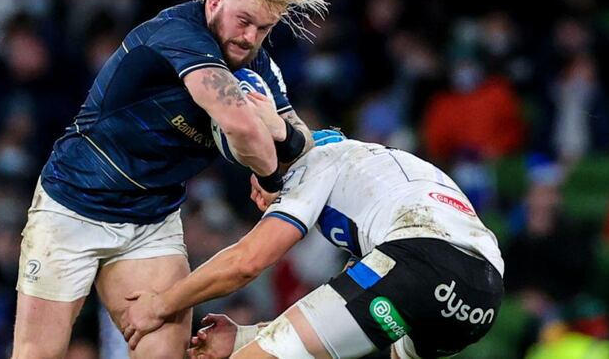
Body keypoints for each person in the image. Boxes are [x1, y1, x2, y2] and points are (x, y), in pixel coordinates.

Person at [11, 0, 326, 359]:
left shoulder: (257, 65)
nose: (250, 37)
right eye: (244, 21)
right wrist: (271, 176)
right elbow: (239, 124)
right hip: (74, 205)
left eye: (263, 28)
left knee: (164, 353)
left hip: (151, 220)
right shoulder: (178, 36)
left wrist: (278, 131)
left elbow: (303, 142)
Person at [122, 129, 505, 359]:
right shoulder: (376, 174)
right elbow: (337, 318)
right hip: (480, 299)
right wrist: (244, 337)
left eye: (257, 178)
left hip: (422, 262)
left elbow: (247, 262)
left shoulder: (316, 160)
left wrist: (161, 304)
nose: (256, 195)